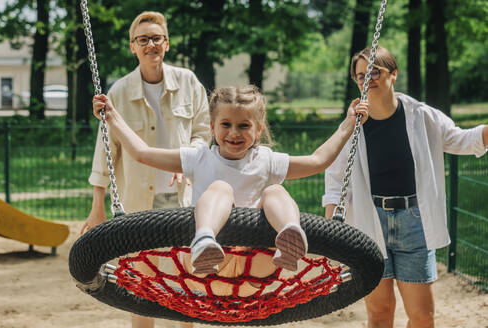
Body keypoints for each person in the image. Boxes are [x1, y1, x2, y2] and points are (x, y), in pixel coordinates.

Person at [91, 84, 368, 321]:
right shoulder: (199, 158)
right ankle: (204, 239)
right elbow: (142, 153)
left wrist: (348, 124)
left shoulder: (266, 160)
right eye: (226, 124)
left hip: (261, 264)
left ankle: (290, 234)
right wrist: (112, 117)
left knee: (275, 192)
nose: (234, 133)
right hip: (206, 268)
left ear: (258, 130)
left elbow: (317, 161)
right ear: (212, 127)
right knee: (221, 188)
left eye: (244, 125)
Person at [323, 46, 488, 328]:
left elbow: (460, 139)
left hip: (415, 221)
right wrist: (332, 232)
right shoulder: (353, 124)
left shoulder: (422, 116)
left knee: (422, 316)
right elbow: (336, 180)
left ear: (394, 74)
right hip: (369, 222)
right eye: (361, 75)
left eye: (375, 72)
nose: (368, 79)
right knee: (380, 312)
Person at [81, 11, 211, 328]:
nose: (150, 44)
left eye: (156, 38)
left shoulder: (188, 82)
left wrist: (188, 159)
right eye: (143, 39)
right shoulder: (118, 93)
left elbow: (203, 133)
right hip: (138, 201)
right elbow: (105, 151)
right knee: (141, 282)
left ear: (166, 44)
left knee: (187, 280)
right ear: (133, 47)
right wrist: (97, 207)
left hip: (183, 198)